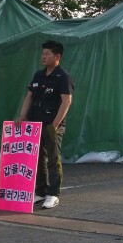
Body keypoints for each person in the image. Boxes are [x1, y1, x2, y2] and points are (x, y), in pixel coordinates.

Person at [16, 40, 74, 209]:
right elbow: (29, 96)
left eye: (47, 54)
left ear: (57, 57)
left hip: (52, 124)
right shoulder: (38, 75)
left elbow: (67, 101)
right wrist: (22, 116)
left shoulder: (62, 76)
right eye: (42, 53)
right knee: (37, 157)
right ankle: (40, 191)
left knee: (53, 158)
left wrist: (55, 124)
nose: (43, 56)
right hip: (35, 124)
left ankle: (53, 194)